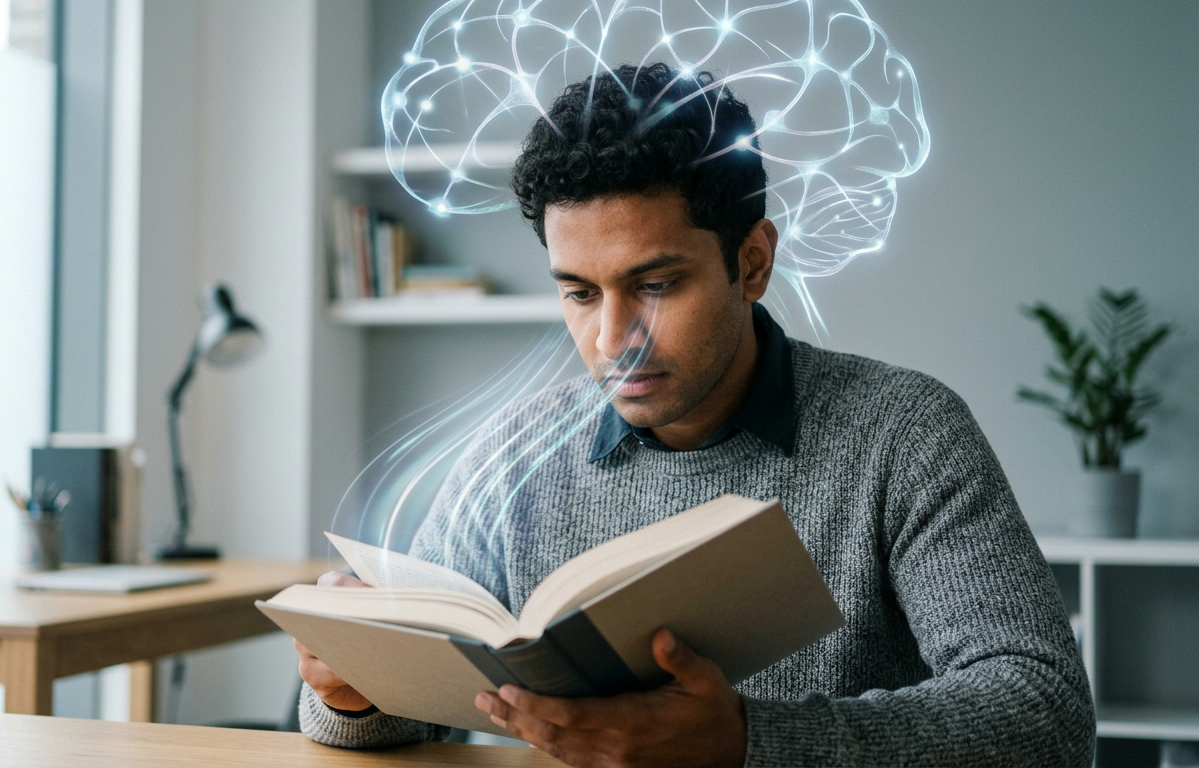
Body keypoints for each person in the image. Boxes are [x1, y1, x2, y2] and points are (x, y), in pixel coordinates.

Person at [295, 62, 1095, 766]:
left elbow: (1047, 716)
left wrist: (750, 745)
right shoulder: (517, 452)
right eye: (578, 292)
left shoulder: (906, 433)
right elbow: (396, 723)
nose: (612, 340)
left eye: (654, 285)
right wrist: (352, 695)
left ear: (751, 263)